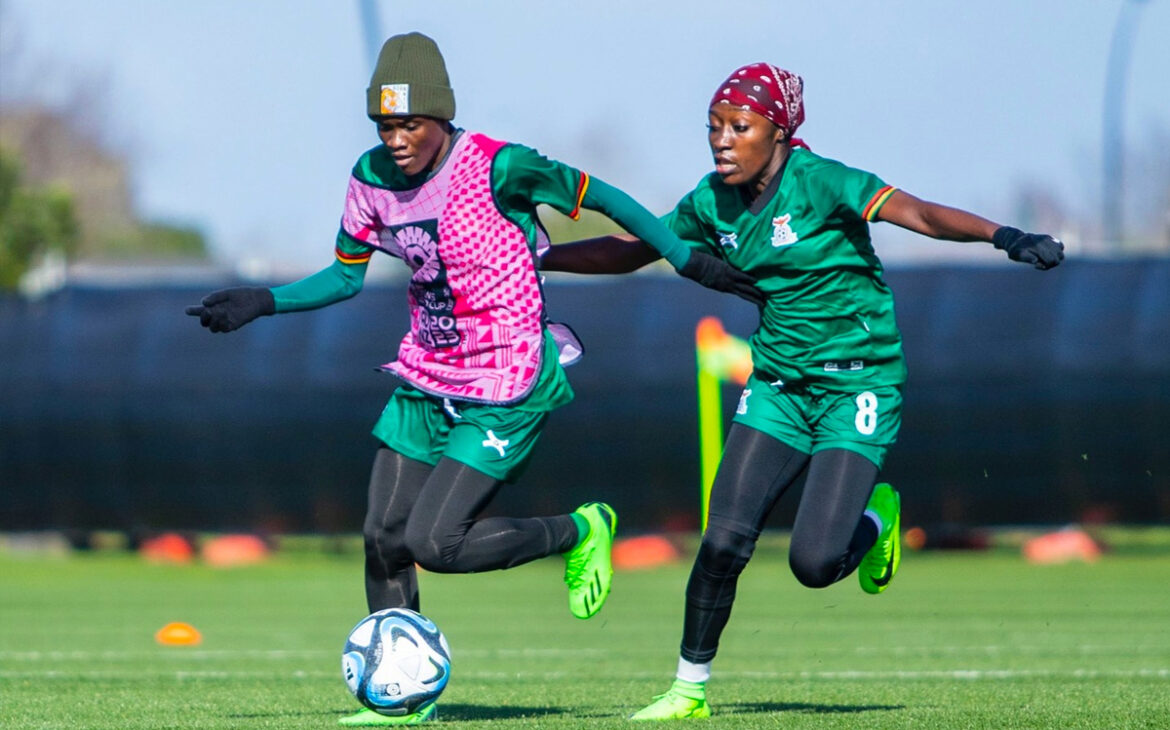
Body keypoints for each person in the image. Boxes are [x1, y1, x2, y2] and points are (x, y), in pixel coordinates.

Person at [185, 33, 761, 727]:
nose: (395, 139)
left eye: (409, 124)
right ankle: (402, 702)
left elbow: (610, 199)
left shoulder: (501, 166)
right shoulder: (370, 178)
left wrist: (684, 260)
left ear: (441, 117)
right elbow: (344, 275)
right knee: (382, 535)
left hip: (507, 378)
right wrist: (261, 302)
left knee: (437, 544)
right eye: (384, 124)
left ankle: (579, 530)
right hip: (428, 374)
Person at [541, 62, 1064, 721]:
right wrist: (538, 255)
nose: (722, 140)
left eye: (740, 126)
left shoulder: (823, 183)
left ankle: (876, 520)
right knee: (723, 541)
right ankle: (687, 690)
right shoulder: (710, 202)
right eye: (713, 127)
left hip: (858, 389)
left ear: (780, 132)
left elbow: (920, 213)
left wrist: (1004, 236)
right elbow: (630, 248)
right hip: (780, 390)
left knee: (815, 564)